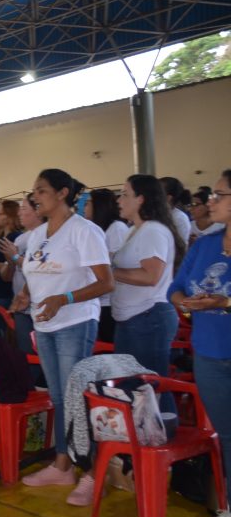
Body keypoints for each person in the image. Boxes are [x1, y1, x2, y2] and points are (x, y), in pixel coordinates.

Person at [13, 168, 113, 504]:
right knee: (58, 397)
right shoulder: (39, 233)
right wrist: (26, 293)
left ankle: (93, 471)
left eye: (40, 190)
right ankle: (62, 464)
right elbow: (36, 269)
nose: (34, 197)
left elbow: (105, 282)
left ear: (63, 193)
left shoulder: (84, 231)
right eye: (34, 191)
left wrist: (64, 299)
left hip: (75, 322)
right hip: (45, 324)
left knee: (78, 398)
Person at [169, 169, 231, 517]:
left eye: (220, 195)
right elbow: (175, 287)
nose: (211, 202)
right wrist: (187, 303)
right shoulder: (205, 244)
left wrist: (224, 300)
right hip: (209, 351)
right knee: (226, 434)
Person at [111, 174, 184, 412]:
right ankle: (143, 439)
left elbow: (150, 276)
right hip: (133, 319)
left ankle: (165, 435)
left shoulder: (152, 230)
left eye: (125, 194)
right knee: (136, 387)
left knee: (151, 387)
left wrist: (111, 272)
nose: (119, 200)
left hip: (148, 317)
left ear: (141, 199)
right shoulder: (136, 230)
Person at [0, 193, 47, 365]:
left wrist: (14, 258)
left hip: (42, 307)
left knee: (42, 357)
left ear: (38, 211)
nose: (19, 213)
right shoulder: (21, 239)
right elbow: (6, 275)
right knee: (26, 355)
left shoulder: (47, 236)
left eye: (24, 208)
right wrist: (11, 261)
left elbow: (42, 271)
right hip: (21, 307)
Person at [82, 188, 128, 343]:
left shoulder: (116, 228)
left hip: (110, 301)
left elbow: (111, 262)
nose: (84, 207)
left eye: (88, 203)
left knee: (109, 345)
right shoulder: (95, 229)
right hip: (98, 299)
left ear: (99, 206)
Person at [0, 199, 23, 309]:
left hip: (4, 292)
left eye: (0, 213)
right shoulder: (3, 237)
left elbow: (11, 264)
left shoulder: (14, 237)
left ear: (9, 217)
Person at [161, 176, 192, 245]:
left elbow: (179, 247)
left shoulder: (179, 218)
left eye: (156, 192)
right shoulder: (155, 215)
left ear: (168, 198)